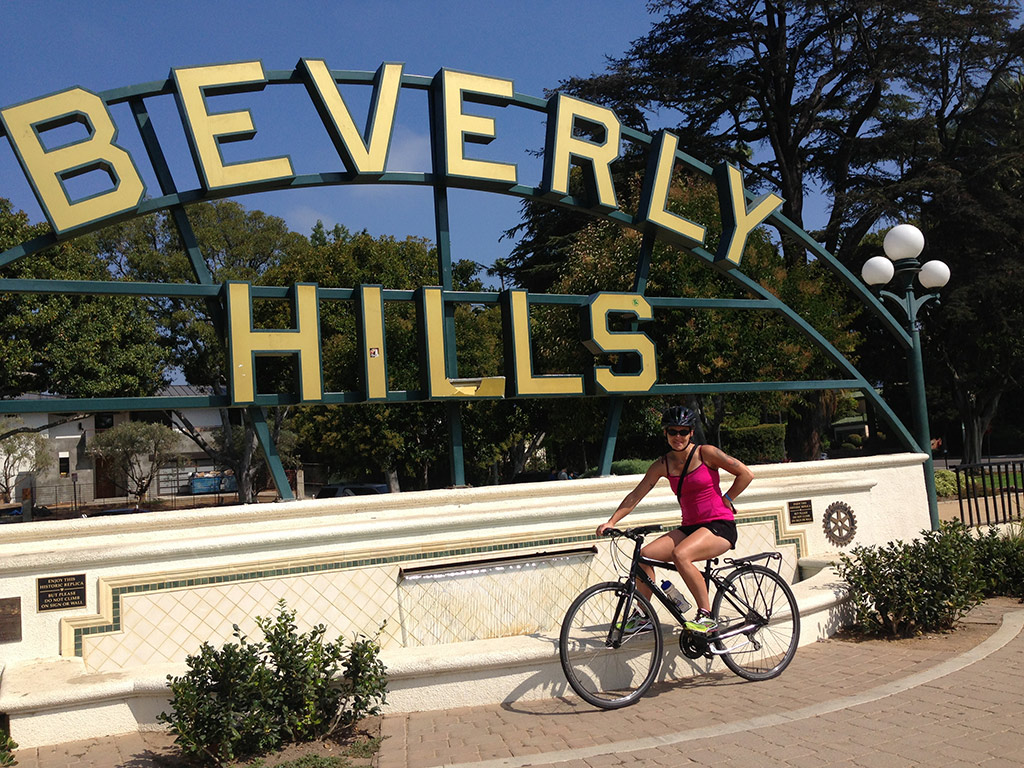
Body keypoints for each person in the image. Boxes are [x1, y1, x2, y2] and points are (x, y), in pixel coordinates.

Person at [597, 405, 754, 634]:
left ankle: (706, 616)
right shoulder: (663, 464)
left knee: (681, 554)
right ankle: (643, 616)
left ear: (691, 432)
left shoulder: (706, 453)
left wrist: (727, 498)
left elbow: (746, 474)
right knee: (644, 556)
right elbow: (635, 495)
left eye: (683, 432)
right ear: (665, 433)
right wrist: (612, 522)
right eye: (673, 431)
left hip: (719, 526)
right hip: (690, 527)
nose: (678, 437)